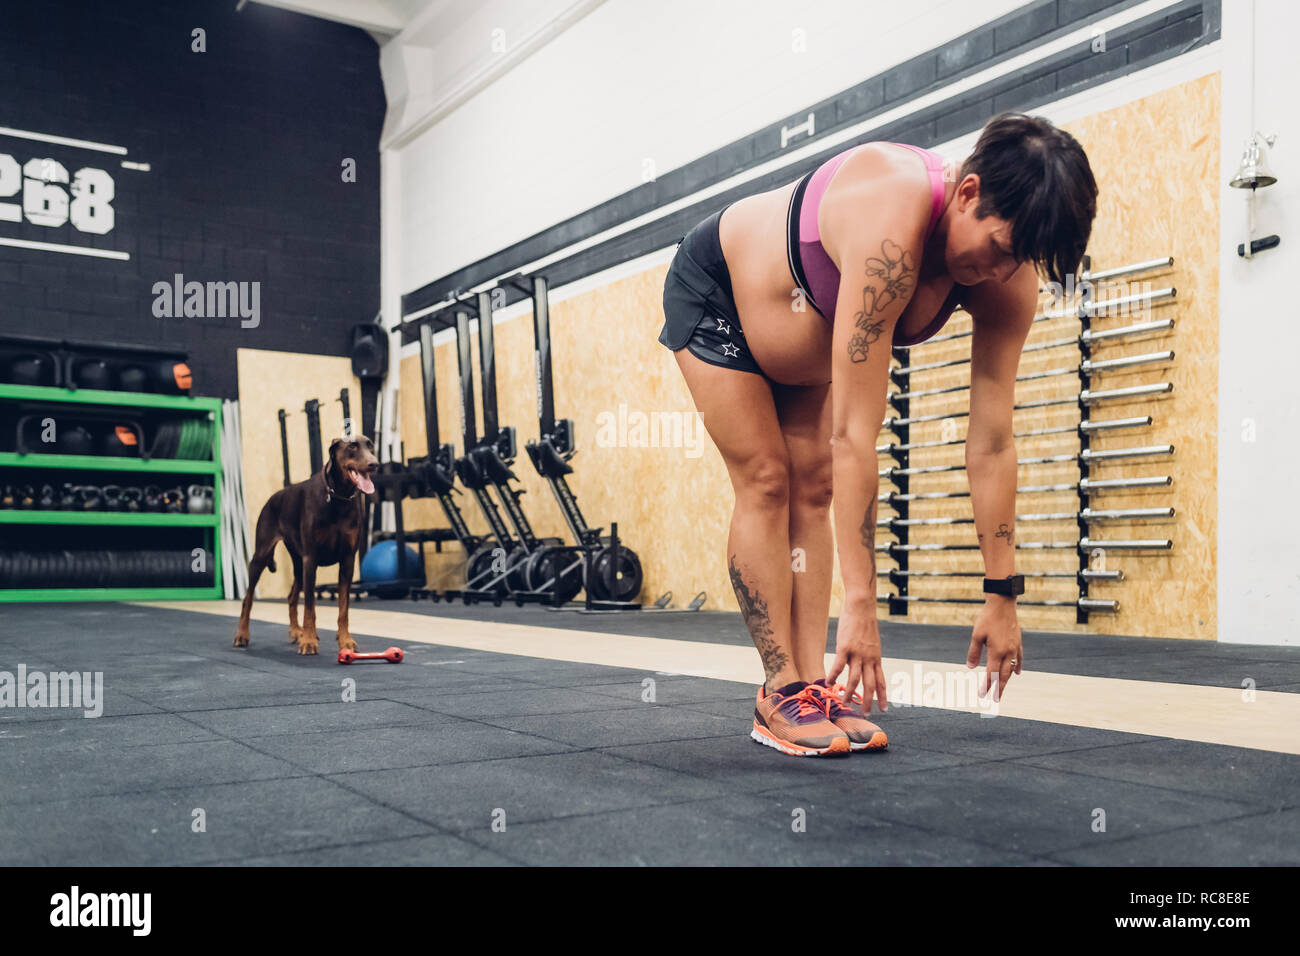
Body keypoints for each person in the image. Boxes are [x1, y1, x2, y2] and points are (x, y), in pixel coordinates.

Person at [659, 112, 1098, 757]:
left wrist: (1002, 593)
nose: (1006, 272)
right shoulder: (891, 223)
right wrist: (859, 605)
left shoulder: (1008, 280)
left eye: (1022, 260)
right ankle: (778, 688)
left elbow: (992, 442)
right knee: (768, 479)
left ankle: (809, 687)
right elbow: (855, 437)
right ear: (969, 192)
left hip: (800, 338)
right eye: (1001, 248)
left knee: (812, 488)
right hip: (718, 293)